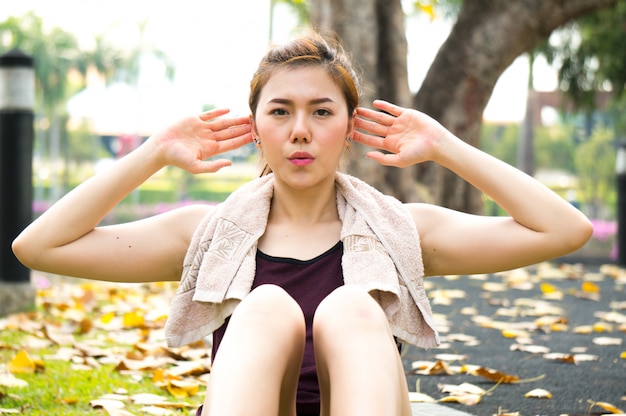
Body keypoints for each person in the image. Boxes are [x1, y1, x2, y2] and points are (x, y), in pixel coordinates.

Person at [12, 31, 593, 416]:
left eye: (321, 112)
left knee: (349, 306)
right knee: (265, 306)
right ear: (256, 126)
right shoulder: (208, 232)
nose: (300, 131)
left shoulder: (399, 229)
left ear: (349, 126)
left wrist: (444, 146)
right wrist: (155, 152)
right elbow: (39, 246)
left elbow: (563, 231)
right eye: (280, 111)